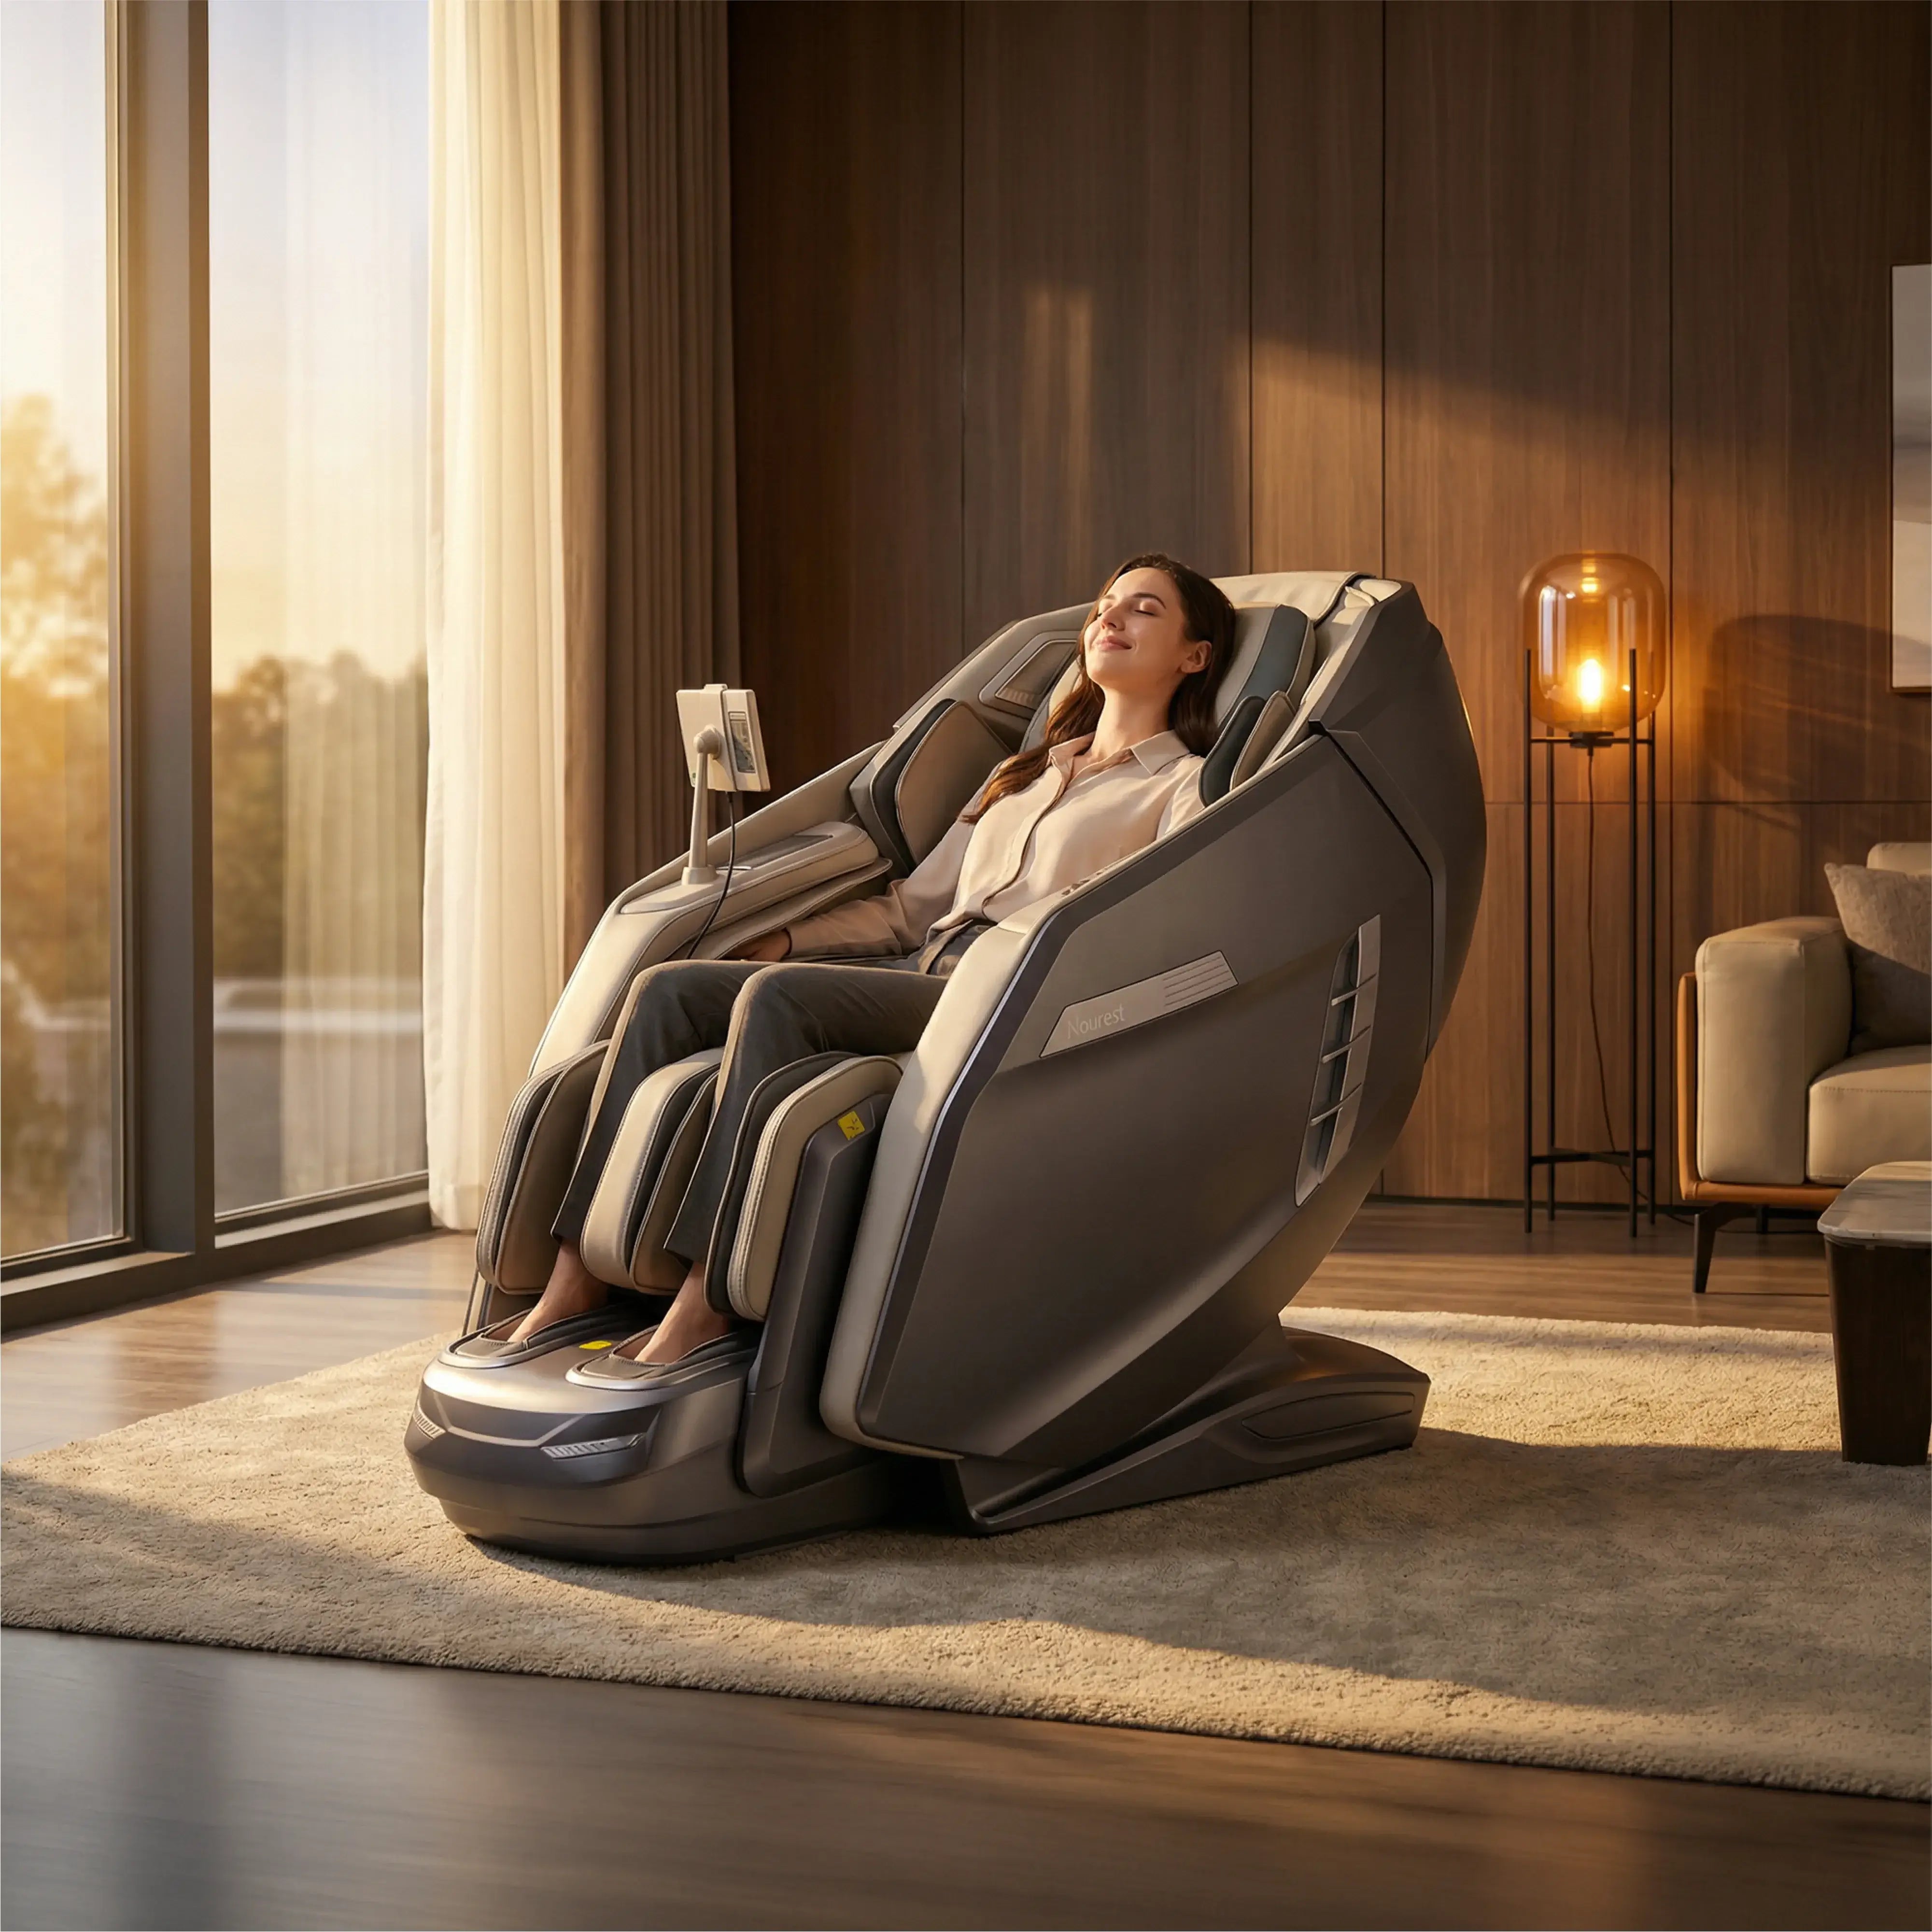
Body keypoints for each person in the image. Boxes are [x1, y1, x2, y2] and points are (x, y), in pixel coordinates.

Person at [498, 552, 1236, 1366]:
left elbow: (1154, 921)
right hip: (919, 966)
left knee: (777, 1001)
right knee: (667, 990)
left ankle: (711, 1294)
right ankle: (576, 1276)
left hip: (999, 992)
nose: (1110, 618)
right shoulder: (1021, 773)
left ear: (1194, 656)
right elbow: (911, 909)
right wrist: (787, 940)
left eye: (1143, 609)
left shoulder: (1183, 787)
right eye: (1105, 605)